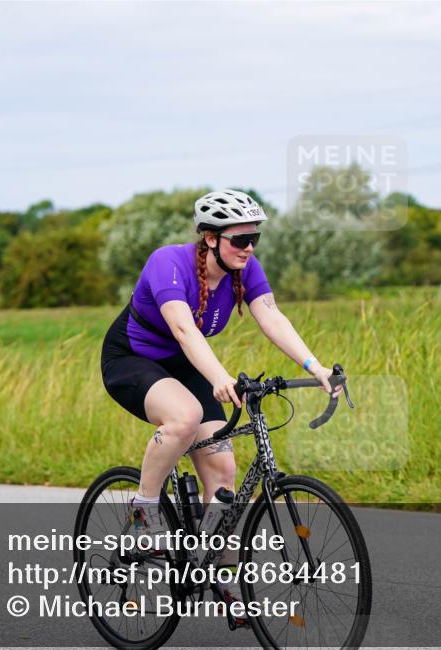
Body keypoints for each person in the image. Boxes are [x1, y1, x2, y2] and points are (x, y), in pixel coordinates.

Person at [100, 189, 342, 620]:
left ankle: (221, 573)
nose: (249, 248)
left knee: (224, 473)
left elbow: (271, 316)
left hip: (186, 363)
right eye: (240, 240)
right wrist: (218, 378)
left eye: (255, 239)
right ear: (210, 238)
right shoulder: (168, 263)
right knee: (184, 417)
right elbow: (184, 330)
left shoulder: (242, 269)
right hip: (132, 360)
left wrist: (316, 366)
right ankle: (143, 513)